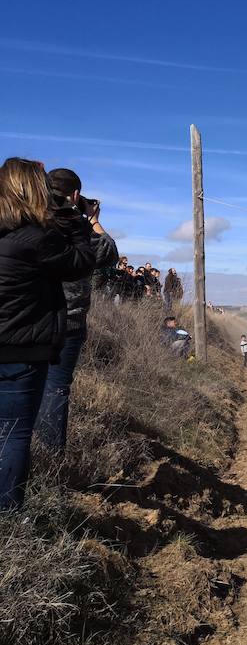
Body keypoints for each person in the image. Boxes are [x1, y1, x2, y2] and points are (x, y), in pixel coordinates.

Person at [0, 157, 95, 510]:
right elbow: (81, 263)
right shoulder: (37, 237)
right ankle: (9, 519)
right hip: (20, 347)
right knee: (14, 435)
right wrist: (79, 222)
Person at [32, 168, 118, 455]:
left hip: (24, 316)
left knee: (20, 385)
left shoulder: (26, 221)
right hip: (68, 318)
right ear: (76, 195)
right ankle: (51, 457)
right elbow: (108, 252)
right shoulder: (76, 228)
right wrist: (92, 220)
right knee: (55, 387)